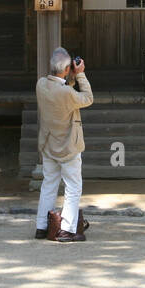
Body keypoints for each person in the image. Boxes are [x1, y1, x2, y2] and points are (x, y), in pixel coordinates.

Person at [35, 47, 94, 242]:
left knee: (49, 185)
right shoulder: (67, 93)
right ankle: (66, 230)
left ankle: (42, 227)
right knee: (73, 187)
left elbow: (58, 86)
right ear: (67, 68)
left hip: (49, 145)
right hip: (68, 147)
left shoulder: (41, 85)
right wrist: (81, 74)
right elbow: (88, 98)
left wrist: (70, 75)